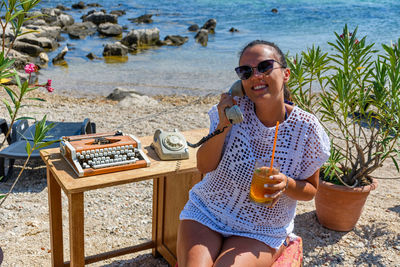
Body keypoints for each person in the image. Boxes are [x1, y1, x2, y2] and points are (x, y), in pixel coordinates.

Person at [177, 40, 330, 267]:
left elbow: (311, 190)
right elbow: (204, 166)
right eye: (246, 72)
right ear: (240, 81)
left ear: (286, 73)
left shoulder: (305, 128)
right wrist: (223, 125)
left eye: (265, 67)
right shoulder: (234, 113)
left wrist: (286, 183)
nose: (256, 76)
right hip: (208, 211)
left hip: (261, 227)